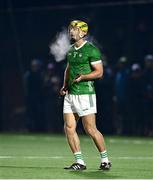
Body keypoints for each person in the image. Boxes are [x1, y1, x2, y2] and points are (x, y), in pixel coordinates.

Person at [60, 20, 111, 171]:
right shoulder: (70, 50)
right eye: (70, 29)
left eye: (74, 29)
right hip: (71, 94)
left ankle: (105, 160)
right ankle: (79, 162)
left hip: (85, 94)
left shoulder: (91, 50)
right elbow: (68, 70)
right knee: (69, 127)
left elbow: (99, 72)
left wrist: (83, 77)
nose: (71, 32)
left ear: (83, 32)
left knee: (90, 129)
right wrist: (64, 86)